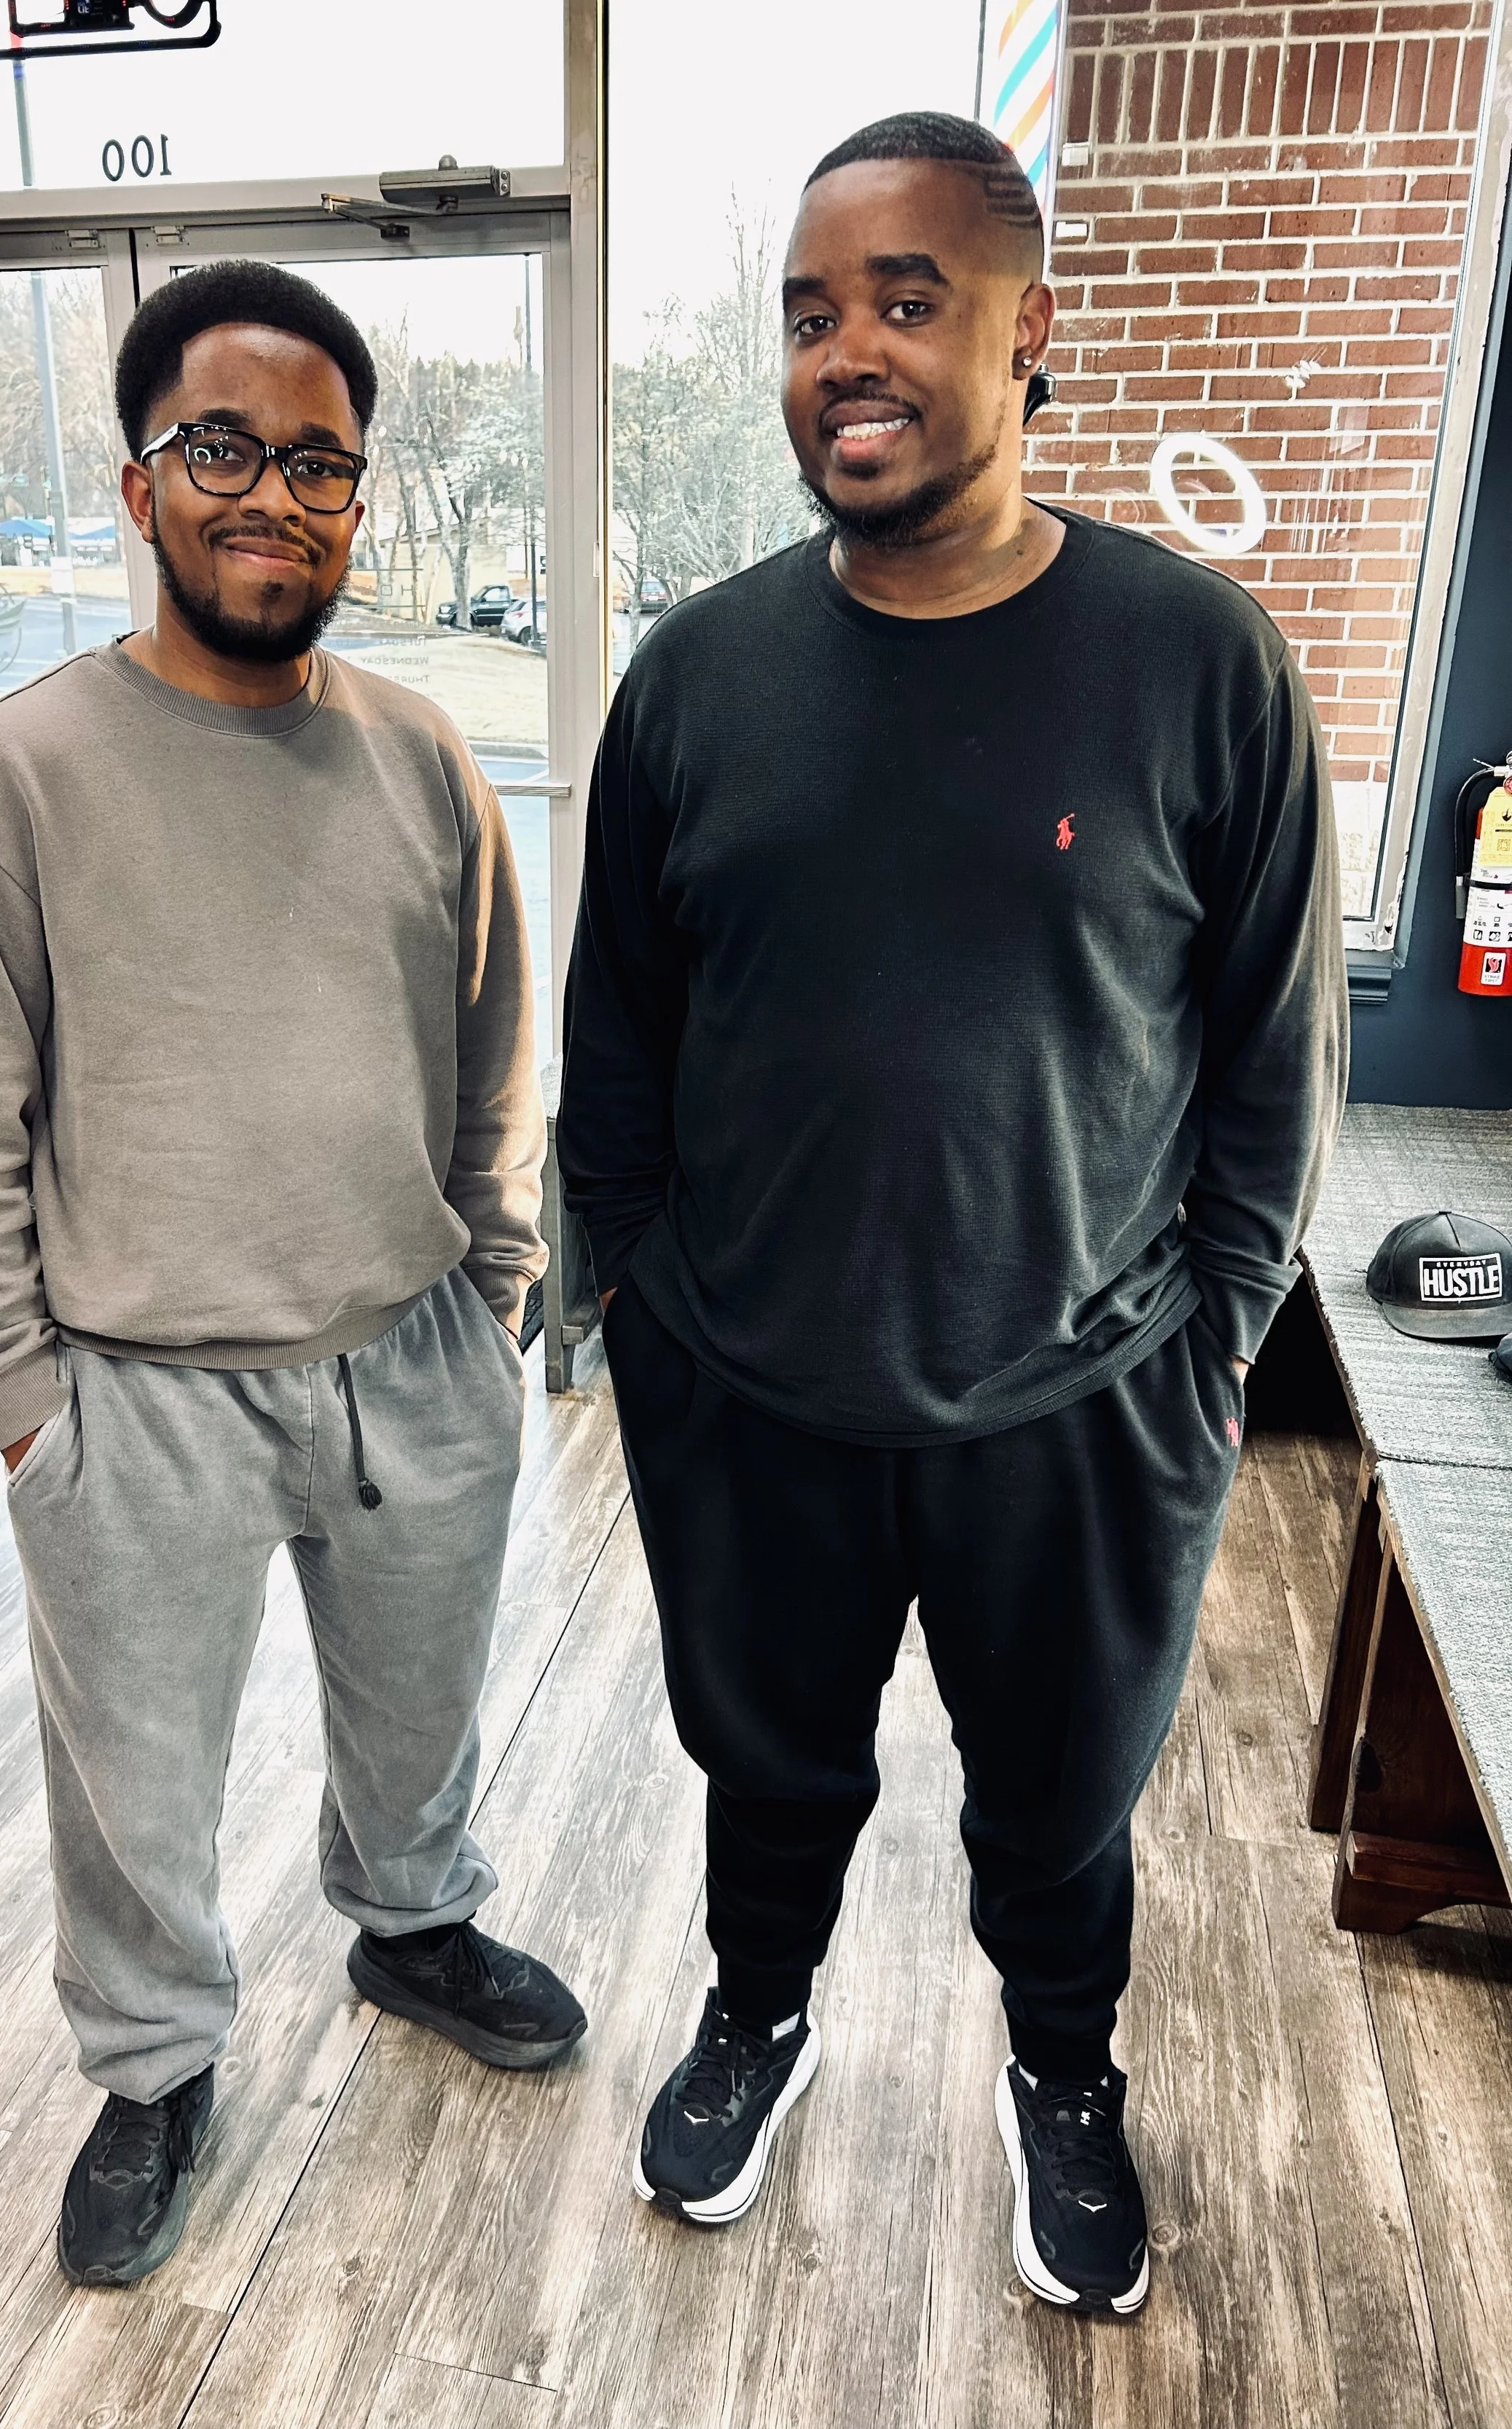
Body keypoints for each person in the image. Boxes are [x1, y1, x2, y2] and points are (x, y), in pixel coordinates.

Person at [560, 114, 1346, 2315]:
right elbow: (617, 1035)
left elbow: (1272, 1063)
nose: (848, 352)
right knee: (764, 1767)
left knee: (1060, 1803)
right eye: (811, 311)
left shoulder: (1195, 661)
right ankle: (756, 2015)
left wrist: (1205, 1349)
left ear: (1028, 335)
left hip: (1081, 1393)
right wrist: (640, 1307)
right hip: (750, 1382)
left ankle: (1064, 2075)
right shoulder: (698, 678)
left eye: (906, 301)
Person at [0, 259, 584, 2291]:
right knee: (133, 1783)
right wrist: (19, 1405)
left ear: (356, 496)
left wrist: (494, 1290)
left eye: (318, 461)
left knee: (420, 1713)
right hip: (134, 1394)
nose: (270, 494)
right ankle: (156, 2060)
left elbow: (491, 1056)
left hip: (407, 1357)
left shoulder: (426, 763)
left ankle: (412, 1922)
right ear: (138, 485)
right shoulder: (15, 780)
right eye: (219, 448)